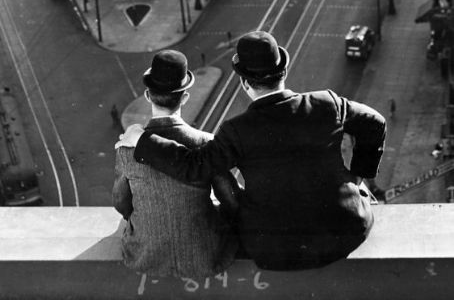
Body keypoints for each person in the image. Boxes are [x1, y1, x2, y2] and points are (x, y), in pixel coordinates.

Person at [116, 31, 386, 271]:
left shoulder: (236, 131)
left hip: (276, 252)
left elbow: (193, 165)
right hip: (347, 231)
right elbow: (375, 123)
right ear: (284, 72)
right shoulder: (327, 103)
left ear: (244, 83)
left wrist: (141, 140)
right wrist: (359, 175)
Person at [113, 50, 240, 277]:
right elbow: (230, 200)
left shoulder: (127, 148)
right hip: (204, 257)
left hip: (146, 257)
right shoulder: (206, 142)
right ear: (185, 98)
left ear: (148, 96)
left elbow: (121, 202)